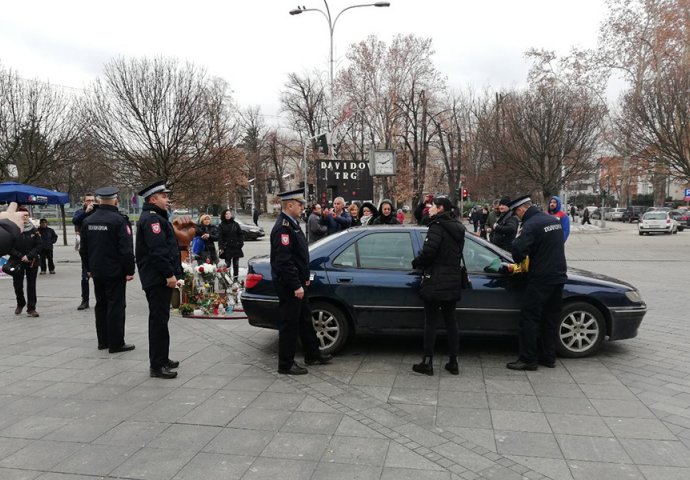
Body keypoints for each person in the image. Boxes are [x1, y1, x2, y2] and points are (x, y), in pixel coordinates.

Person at [270, 189, 331, 375]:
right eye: (300, 204)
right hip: (289, 285)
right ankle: (285, 364)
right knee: (290, 324)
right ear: (289, 205)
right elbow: (284, 261)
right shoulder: (284, 227)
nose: (303, 207)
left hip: (298, 282)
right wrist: (296, 285)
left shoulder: (294, 224)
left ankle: (312, 354)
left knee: (305, 319)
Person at [506, 195, 567, 371]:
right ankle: (548, 357)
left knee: (530, 318)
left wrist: (518, 260)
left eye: (516, 214)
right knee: (550, 318)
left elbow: (518, 249)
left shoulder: (530, 225)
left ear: (521, 210)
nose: (517, 218)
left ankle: (528, 359)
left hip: (540, 278)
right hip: (558, 276)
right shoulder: (552, 220)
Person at [411, 197, 465, 376]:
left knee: (431, 321)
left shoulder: (437, 227)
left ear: (440, 208)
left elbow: (429, 253)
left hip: (435, 279)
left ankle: (427, 362)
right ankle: (454, 361)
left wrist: (416, 262)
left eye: (432, 206)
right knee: (451, 321)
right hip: (452, 279)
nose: (429, 208)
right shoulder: (459, 227)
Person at [80, 187, 136, 353]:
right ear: (115, 200)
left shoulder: (88, 220)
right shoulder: (119, 220)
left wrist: (88, 269)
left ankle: (103, 341)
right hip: (115, 271)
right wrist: (129, 270)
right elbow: (126, 249)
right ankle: (116, 343)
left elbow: (84, 249)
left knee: (101, 304)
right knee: (116, 305)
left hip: (97, 270)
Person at [136, 180, 182, 379]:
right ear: (153, 199)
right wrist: (169, 275)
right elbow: (158, 252)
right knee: (158, 322)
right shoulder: (152, 220)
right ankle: (157, 365)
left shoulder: (157, 217)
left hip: (159, 277)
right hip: (157, 279)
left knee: (162, 320)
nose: (167, 199)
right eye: (164, 196)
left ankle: (162, 357)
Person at [10, 207, 41, 317]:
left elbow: (39, 245)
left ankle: (31, 308)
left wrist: (29, 256)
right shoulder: (13, 229)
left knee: (31, 285)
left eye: (27, 215)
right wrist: (21, 256)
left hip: (32, 261)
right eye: (23, 215)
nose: (25, 217)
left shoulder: (34, 229)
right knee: (18, 285)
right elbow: (9, 247)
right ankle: (20, 303)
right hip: (17, 261)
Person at [72, 193, 96, 310]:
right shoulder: (80, 212)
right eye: (88, 200)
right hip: (85, 247)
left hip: (97, 246)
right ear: (84, 202)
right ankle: (85, 300)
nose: (90, 202)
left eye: (92, 200)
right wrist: (86, 212)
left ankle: (101, 299)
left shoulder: (98, 211)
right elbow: (75, 220)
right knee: (85, 275)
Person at [218, 208, 244, 280]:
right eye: (226, 214)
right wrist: (221, 247)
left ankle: (236, 279)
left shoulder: (235, 224)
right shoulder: (221, 225)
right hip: (227, 248)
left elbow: (240, 234)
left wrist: (240, 243)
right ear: (224, 215)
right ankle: (228, 279)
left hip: (236, 247)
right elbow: (220, 237)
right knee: (227, 264)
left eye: (229, 214)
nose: (228, 215)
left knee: (236, 264)